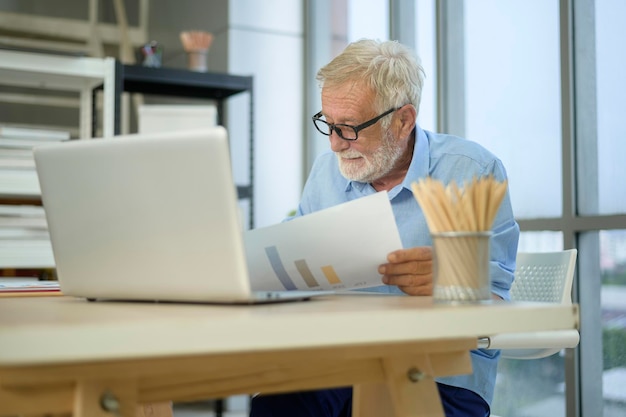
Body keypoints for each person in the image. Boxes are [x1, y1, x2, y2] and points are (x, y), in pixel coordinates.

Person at [250, 39, 519, 417]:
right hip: (337, 360)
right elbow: (291, 253)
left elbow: (500, 305)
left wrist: (453, 280)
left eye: (349, 128)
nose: (334, 145)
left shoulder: (474, 172)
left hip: (439, 371)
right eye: (327, 124)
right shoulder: (326, 173)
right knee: (275, 405)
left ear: (403, 120)